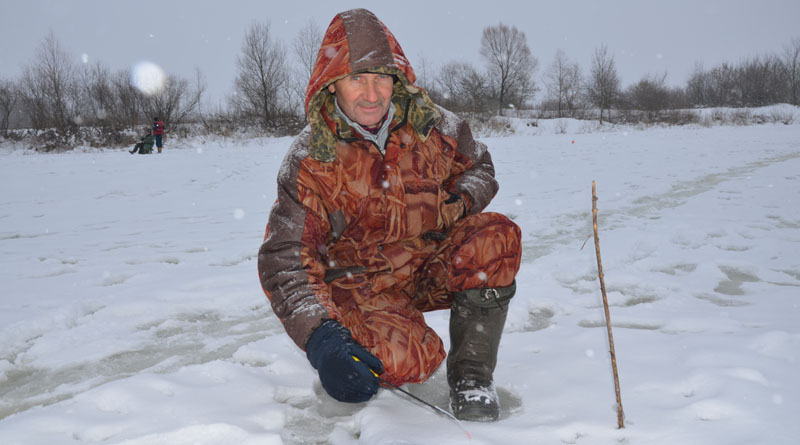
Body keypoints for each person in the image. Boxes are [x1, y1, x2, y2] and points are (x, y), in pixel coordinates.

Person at [257, 8, 521, 422]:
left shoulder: (433, 126)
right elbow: (287, 260)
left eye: (381, 77)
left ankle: (472, 376)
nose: (372, 93)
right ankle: (384, 333)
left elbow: (481, 167)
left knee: (496, 237)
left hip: (425, 264)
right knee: (408, 360)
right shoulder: (311, 158)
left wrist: (456, 204)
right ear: (332, 84)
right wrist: (322, 339)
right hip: (361, 287)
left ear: (397, 79)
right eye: (357, 78)